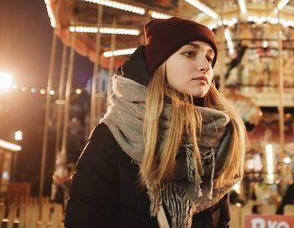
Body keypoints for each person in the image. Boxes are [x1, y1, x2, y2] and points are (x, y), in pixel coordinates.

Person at [65, 17, 246, 228]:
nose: (205, 65)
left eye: (209, 57)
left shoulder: (215, 141)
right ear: (160, 62)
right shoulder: (115, 134)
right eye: (190, 53)